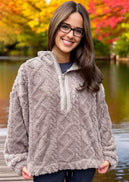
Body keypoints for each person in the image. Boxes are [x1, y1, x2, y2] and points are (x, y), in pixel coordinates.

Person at [4, 1, 118, 182]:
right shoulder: (29, 70)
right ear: (55, 26)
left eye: (77, 30)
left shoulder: (90, 72)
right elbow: (18, 117)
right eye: (65, 27)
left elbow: (101, 117)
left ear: (83, 35)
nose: (70, 35)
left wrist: (108, 152)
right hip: (44, 161)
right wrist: (19, 158)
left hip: (85, 161)